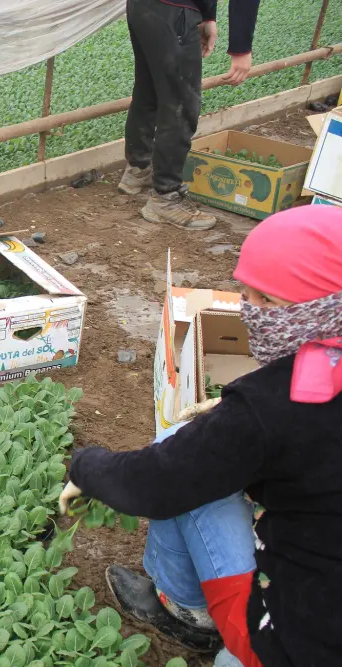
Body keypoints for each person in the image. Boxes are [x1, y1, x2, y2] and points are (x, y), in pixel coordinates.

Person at [59, 205, 342, 666]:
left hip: (296, 637)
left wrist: (86, 467)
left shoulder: (268, 407)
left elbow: (159, 481)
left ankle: (187, 611)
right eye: (244, 293)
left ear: (323, 306)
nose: (250, 312)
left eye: (267, 301)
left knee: (180, 455)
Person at [119, 0, 259, 231]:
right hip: (175, 12)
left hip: (142, 6)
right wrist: (241, 48)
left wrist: (207, 17)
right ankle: (165, 197)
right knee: (181, 104)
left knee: (149, 90)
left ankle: (138, 169)